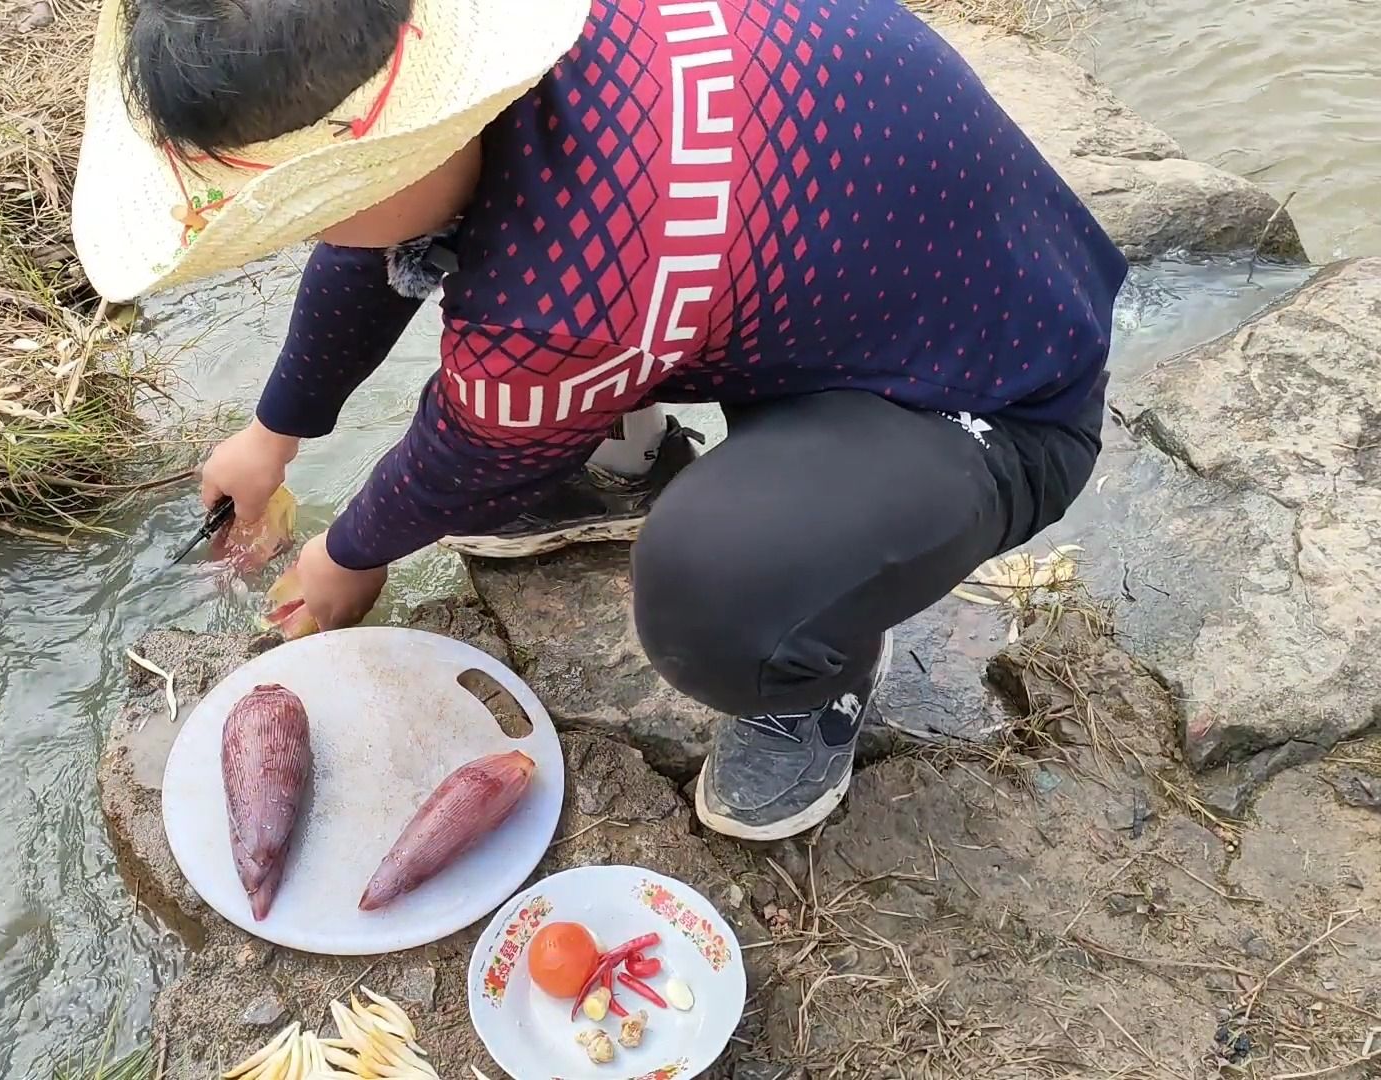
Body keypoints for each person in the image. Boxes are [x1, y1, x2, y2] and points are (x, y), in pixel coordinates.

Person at [72, 0, 1127, 841]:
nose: (302, 237)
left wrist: (350, 555)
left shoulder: (570, 294)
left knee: (711, 591)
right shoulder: (498, 55)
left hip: (990, 393)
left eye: (310, 208)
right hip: (846, 284)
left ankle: (816, 674)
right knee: (554, 346)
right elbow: (381, 244)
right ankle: (629, 457)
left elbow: (470, 446)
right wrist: (273, 433)